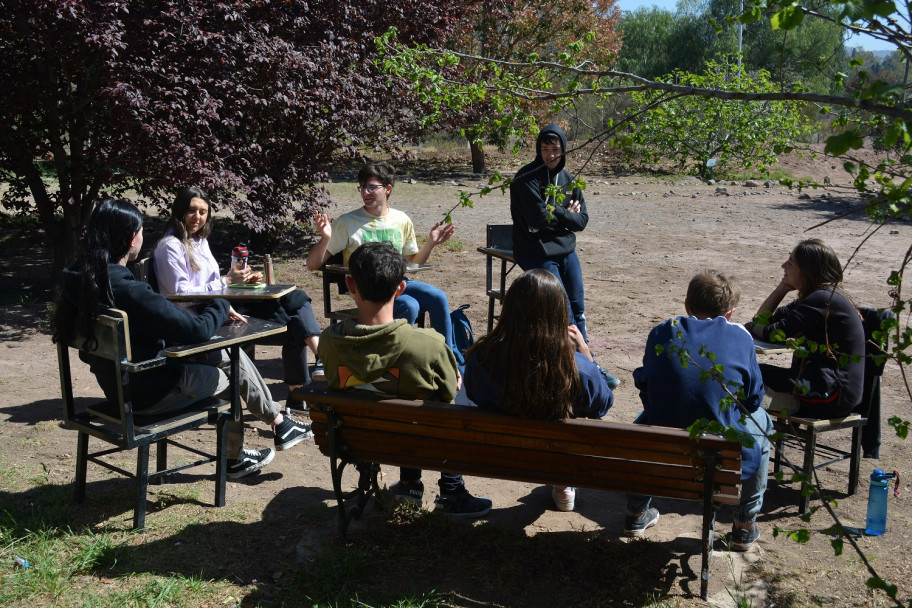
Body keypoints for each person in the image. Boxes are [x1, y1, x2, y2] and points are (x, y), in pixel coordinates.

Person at [52, 198, 313, 479]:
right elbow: (197, 331)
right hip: (150, 394)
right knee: (232, 370)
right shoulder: (128, 290)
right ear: (131, 238)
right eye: (140, 230)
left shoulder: (79, 278)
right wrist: (221, 301)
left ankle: (278, 423)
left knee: (220, 355)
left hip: (116, 386)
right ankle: (239, 455)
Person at [318, 241, 492, 518]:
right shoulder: (429, 345)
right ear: (401, 289)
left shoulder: (328, 342)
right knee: (445, 400)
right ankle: (451, 490)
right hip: (421, 442)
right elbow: (448, 397)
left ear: (351, 285)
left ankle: (409, 485)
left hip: (359, 439)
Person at [629, 270, 771, 551]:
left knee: (643, 424)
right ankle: (744, 524)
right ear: (730, 314)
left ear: (687, 306)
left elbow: (646, 384)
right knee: (762, 423)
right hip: (717, 449)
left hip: (665, 439)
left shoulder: (662, 331)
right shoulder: (741, 338)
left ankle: (635, 513)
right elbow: (753, 399)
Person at [153, 187, 325, 408]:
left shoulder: (198, 241)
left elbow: (211, 283)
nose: (198, 217)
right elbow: (180, 296)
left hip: (221, 308)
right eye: (192, 211)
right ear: (179, 211)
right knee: (295, 320)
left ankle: (309, 379)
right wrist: (226, 282)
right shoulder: (171, 247)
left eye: (203, 212)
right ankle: (312, 376)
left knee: (296, 301)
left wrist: (241, 281)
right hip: (204, 320)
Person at [463, 268, 614, 512]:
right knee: (571, 414)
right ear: (559, 314)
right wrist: (587, 355)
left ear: (509, 309)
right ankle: (563, 482)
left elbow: (472, 392)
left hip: (497, 454)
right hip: (553, 456)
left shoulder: (482, 358)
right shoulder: (578, 369)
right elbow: (602, 404)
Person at [305, 161, 461, 364]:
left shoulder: (401, 220)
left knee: (438, 297)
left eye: (371, 187)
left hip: (398, 283)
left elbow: (411, 268)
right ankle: (395, 360)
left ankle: (450, 362)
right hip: (367, 290)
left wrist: (430, 244)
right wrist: (326, 238)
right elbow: (311, 265)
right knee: (409, 305)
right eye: (362, 187)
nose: (365, 192)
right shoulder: (347, 222)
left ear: (387, 189)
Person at [510, 123, 619, 388]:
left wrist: (556, 212)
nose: (550, 155)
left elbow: (581, 222)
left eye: (555, 150)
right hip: (535, 250)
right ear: (538, 150)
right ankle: (586, 367)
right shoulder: (527, 178)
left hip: (565, 250)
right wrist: (565, 214)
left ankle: (581, 361)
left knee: (578, 306)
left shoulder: (571, 180)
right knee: (563, 310)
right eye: (545, 149)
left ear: (564, 150)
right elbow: (537, 218)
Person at [746, 238, 865, 418]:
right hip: (824, 385)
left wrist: (756, 326)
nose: (783, 265)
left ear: (807, 271)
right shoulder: (814, 297)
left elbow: (772, 334)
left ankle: (759, 419)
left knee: (745, 372)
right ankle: (771, 406)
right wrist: (782, 288)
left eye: (791, 263)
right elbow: (762, 321)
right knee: (751, 371)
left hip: (832, 394)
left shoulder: (822, 299)